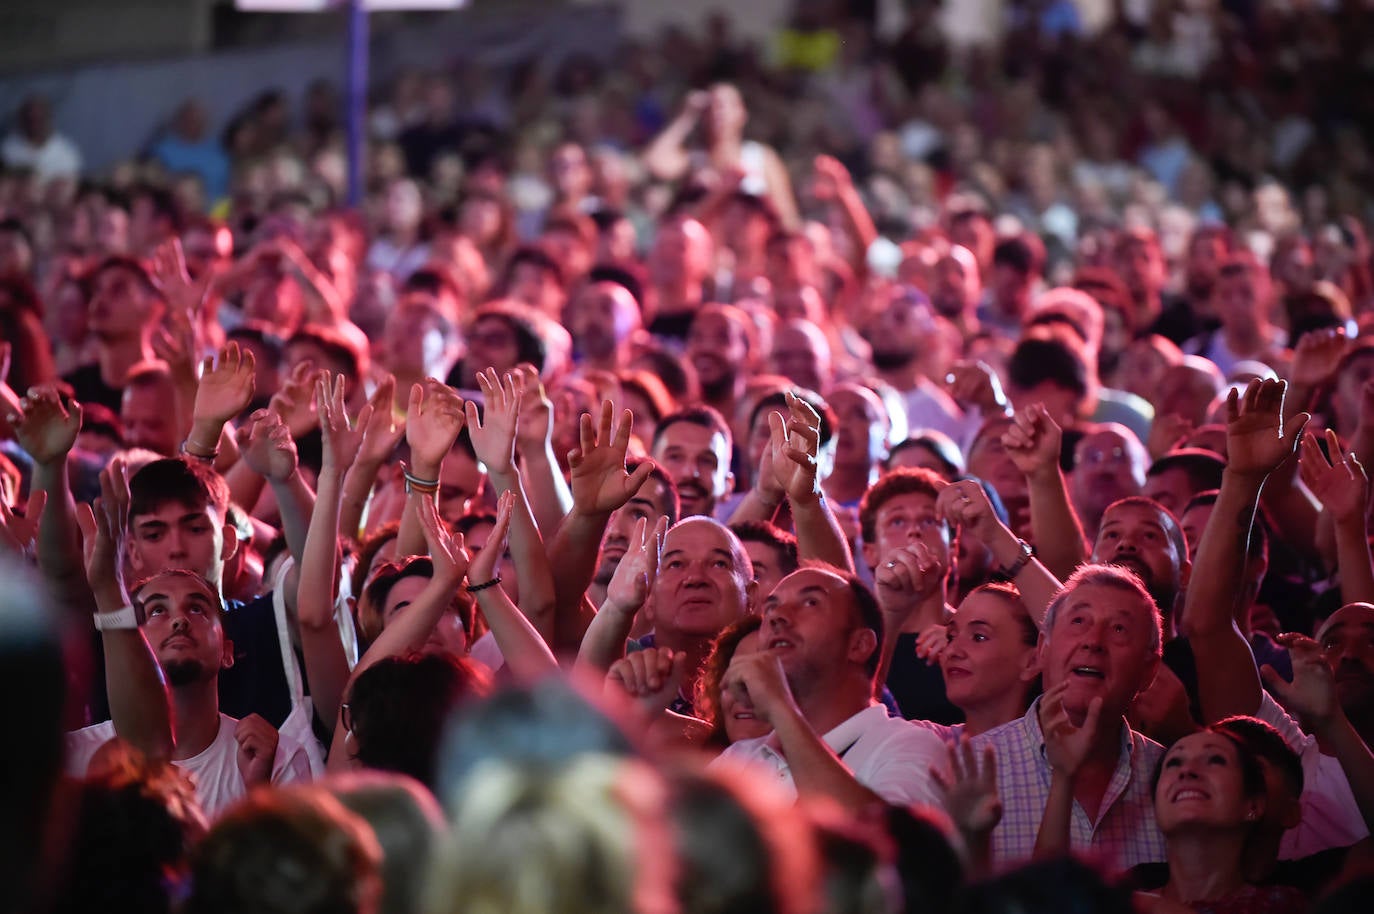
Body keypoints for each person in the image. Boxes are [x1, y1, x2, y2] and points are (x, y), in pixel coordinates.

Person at [970, 563, 1168, 871]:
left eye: (1119, 629)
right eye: (1078, 621)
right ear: (1043, 648)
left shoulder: (1171, 779)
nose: (1093, 641)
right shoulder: (973, 771)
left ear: (1149, 671)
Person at [714, 564, 947, 811]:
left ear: (859, 645)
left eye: (810, 603)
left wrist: (781, 709)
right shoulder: (739, 758)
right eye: (770, 606)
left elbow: (886, 842)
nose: (777, 616)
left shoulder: (908, 747)